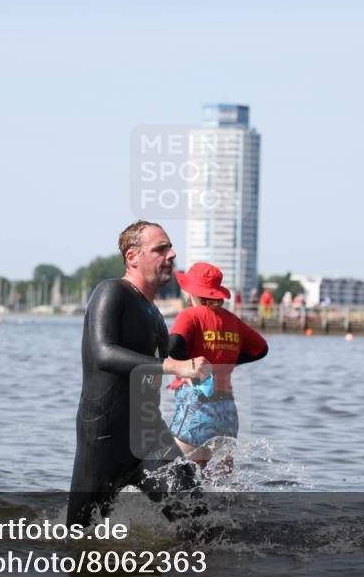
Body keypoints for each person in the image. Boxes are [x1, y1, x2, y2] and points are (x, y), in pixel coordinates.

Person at [66, 221, 210, 528]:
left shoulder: (153, 313)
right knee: (79, 538)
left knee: (199, 522)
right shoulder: (110, 292)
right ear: (133, 256)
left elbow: (166, 355)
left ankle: (197, 574)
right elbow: (104, 353)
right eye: (161, 249)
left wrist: (205, 339)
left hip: (148, 435)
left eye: (171, 248)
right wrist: (173, 366)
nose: (172, 254)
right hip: (103, 439)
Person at [167, 262, 268, 473]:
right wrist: (228, 362)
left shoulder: (190, 315)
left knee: (177, 475)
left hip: (197, 403)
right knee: (222, 485)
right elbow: (261, 348)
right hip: (227, 410)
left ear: (190, 292)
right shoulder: (233, 321)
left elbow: (174, 344)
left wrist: (187, 366)